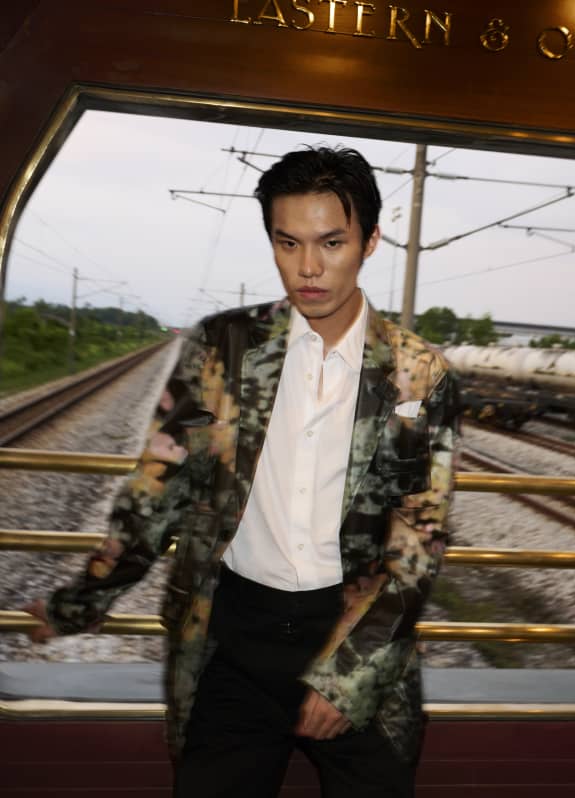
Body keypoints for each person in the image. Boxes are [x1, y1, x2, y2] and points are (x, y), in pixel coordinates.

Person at [27, 146, 459, 797]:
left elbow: (418, 539)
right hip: (231, 641)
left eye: (331, 242)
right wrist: (85, 599)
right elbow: (156, 490)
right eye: (288, 243)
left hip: (352, 634)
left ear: (370, 241)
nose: (308, 268)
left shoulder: (421, 374)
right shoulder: (222, 347)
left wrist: (349, 676)